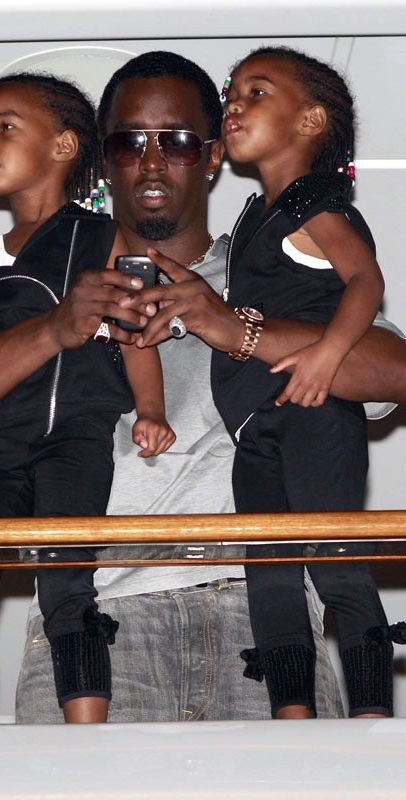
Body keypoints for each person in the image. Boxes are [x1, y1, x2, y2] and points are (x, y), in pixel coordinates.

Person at [0, 51, 404, 723]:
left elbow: (393, 371)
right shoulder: (36, 275)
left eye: (175, 141)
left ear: (212, 156)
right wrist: (54, 328)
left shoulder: (276, 266)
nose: (149, 160)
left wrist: (234, 327)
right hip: (93, 613)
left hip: (260, 618)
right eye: (127, 142)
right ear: (101, 161)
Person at [127, 48, 405, 721]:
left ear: (310, 120)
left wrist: (325, 356)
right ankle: (291, 713)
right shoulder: (259, 216)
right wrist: (192, 316)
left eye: (257, 92)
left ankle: (371, 716)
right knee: (269, 575)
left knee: (337, 563)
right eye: (235, 93)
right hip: (255, 427)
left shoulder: (314, 201)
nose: (236, 105)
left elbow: (366, 281)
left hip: (312, 412)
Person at [0, 71, 174, 726]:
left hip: (75, 442)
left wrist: (151, 410)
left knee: (66, 577)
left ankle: (86, 730)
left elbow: (135, 338)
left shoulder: (105, 237)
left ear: (63, 146)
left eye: (5, 127)